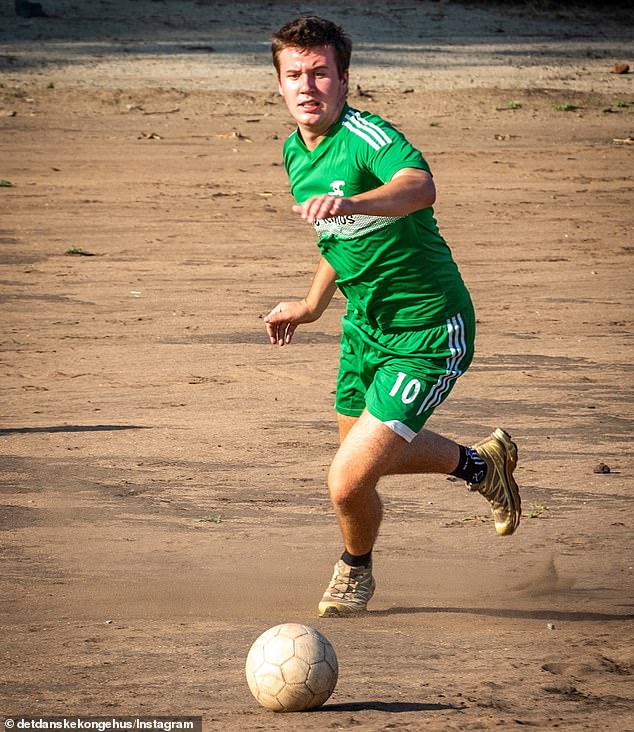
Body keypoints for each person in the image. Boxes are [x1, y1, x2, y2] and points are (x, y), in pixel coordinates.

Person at [264, 15, 521, 618]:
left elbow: (419, 185)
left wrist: (353, 197)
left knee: (347, 480)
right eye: (295, 75)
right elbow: (339, 239)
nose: (308, 86)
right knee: (364, 459)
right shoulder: (294, 151)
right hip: (365, 328)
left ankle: (356, 571)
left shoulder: (367, 137)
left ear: (344, 78)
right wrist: (310, 306)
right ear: (279, 84)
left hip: (429, 330)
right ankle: (483, 465)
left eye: (320, 72)